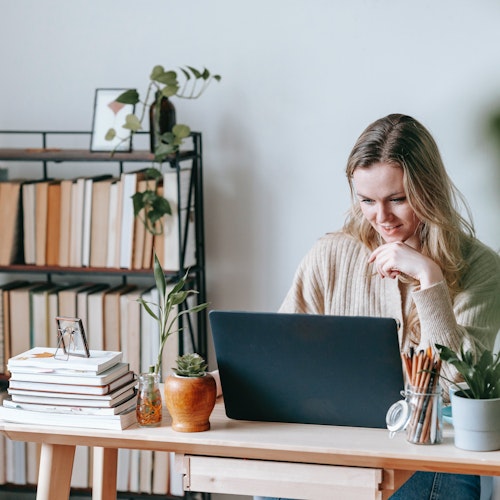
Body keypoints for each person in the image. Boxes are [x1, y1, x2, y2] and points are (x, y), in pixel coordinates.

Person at [255, 113, 500, 500]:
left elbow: (463, 386)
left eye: (397, 199)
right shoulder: (330, 254)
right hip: (340, 444)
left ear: (429, 191)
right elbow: (281, 355)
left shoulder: (481, 268)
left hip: (431, 456)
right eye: (367, 201)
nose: (381, 217)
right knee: (270, 483)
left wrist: (430, 279)